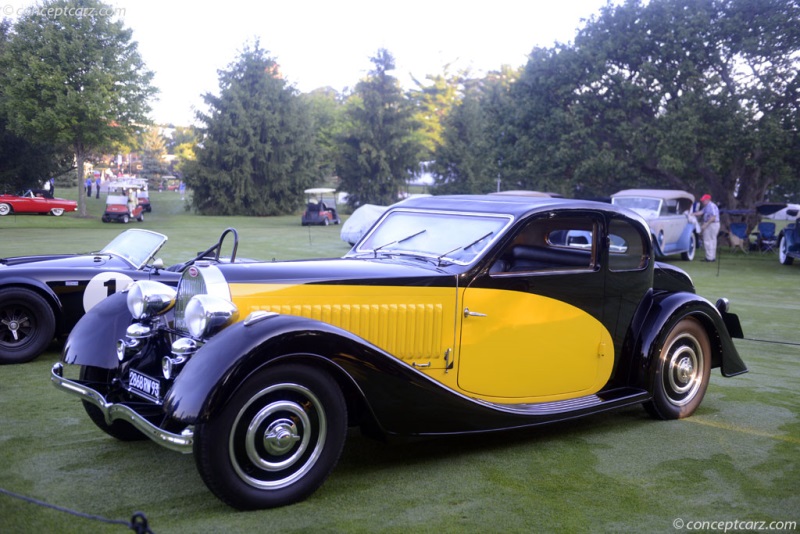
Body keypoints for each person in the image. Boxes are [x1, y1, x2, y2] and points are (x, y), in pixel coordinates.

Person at [693, 194, 720, 262]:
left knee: (708, 240)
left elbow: (713, 217)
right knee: (712, 240)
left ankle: (709, 258)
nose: (703, 202)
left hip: (712, 224)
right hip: (711, 224)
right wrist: (692, 214)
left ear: (708, 200)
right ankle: (711, 257)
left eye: (704, 200)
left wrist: (706, 224)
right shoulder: (706, 206)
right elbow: (701, 212)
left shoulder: (711, 206)